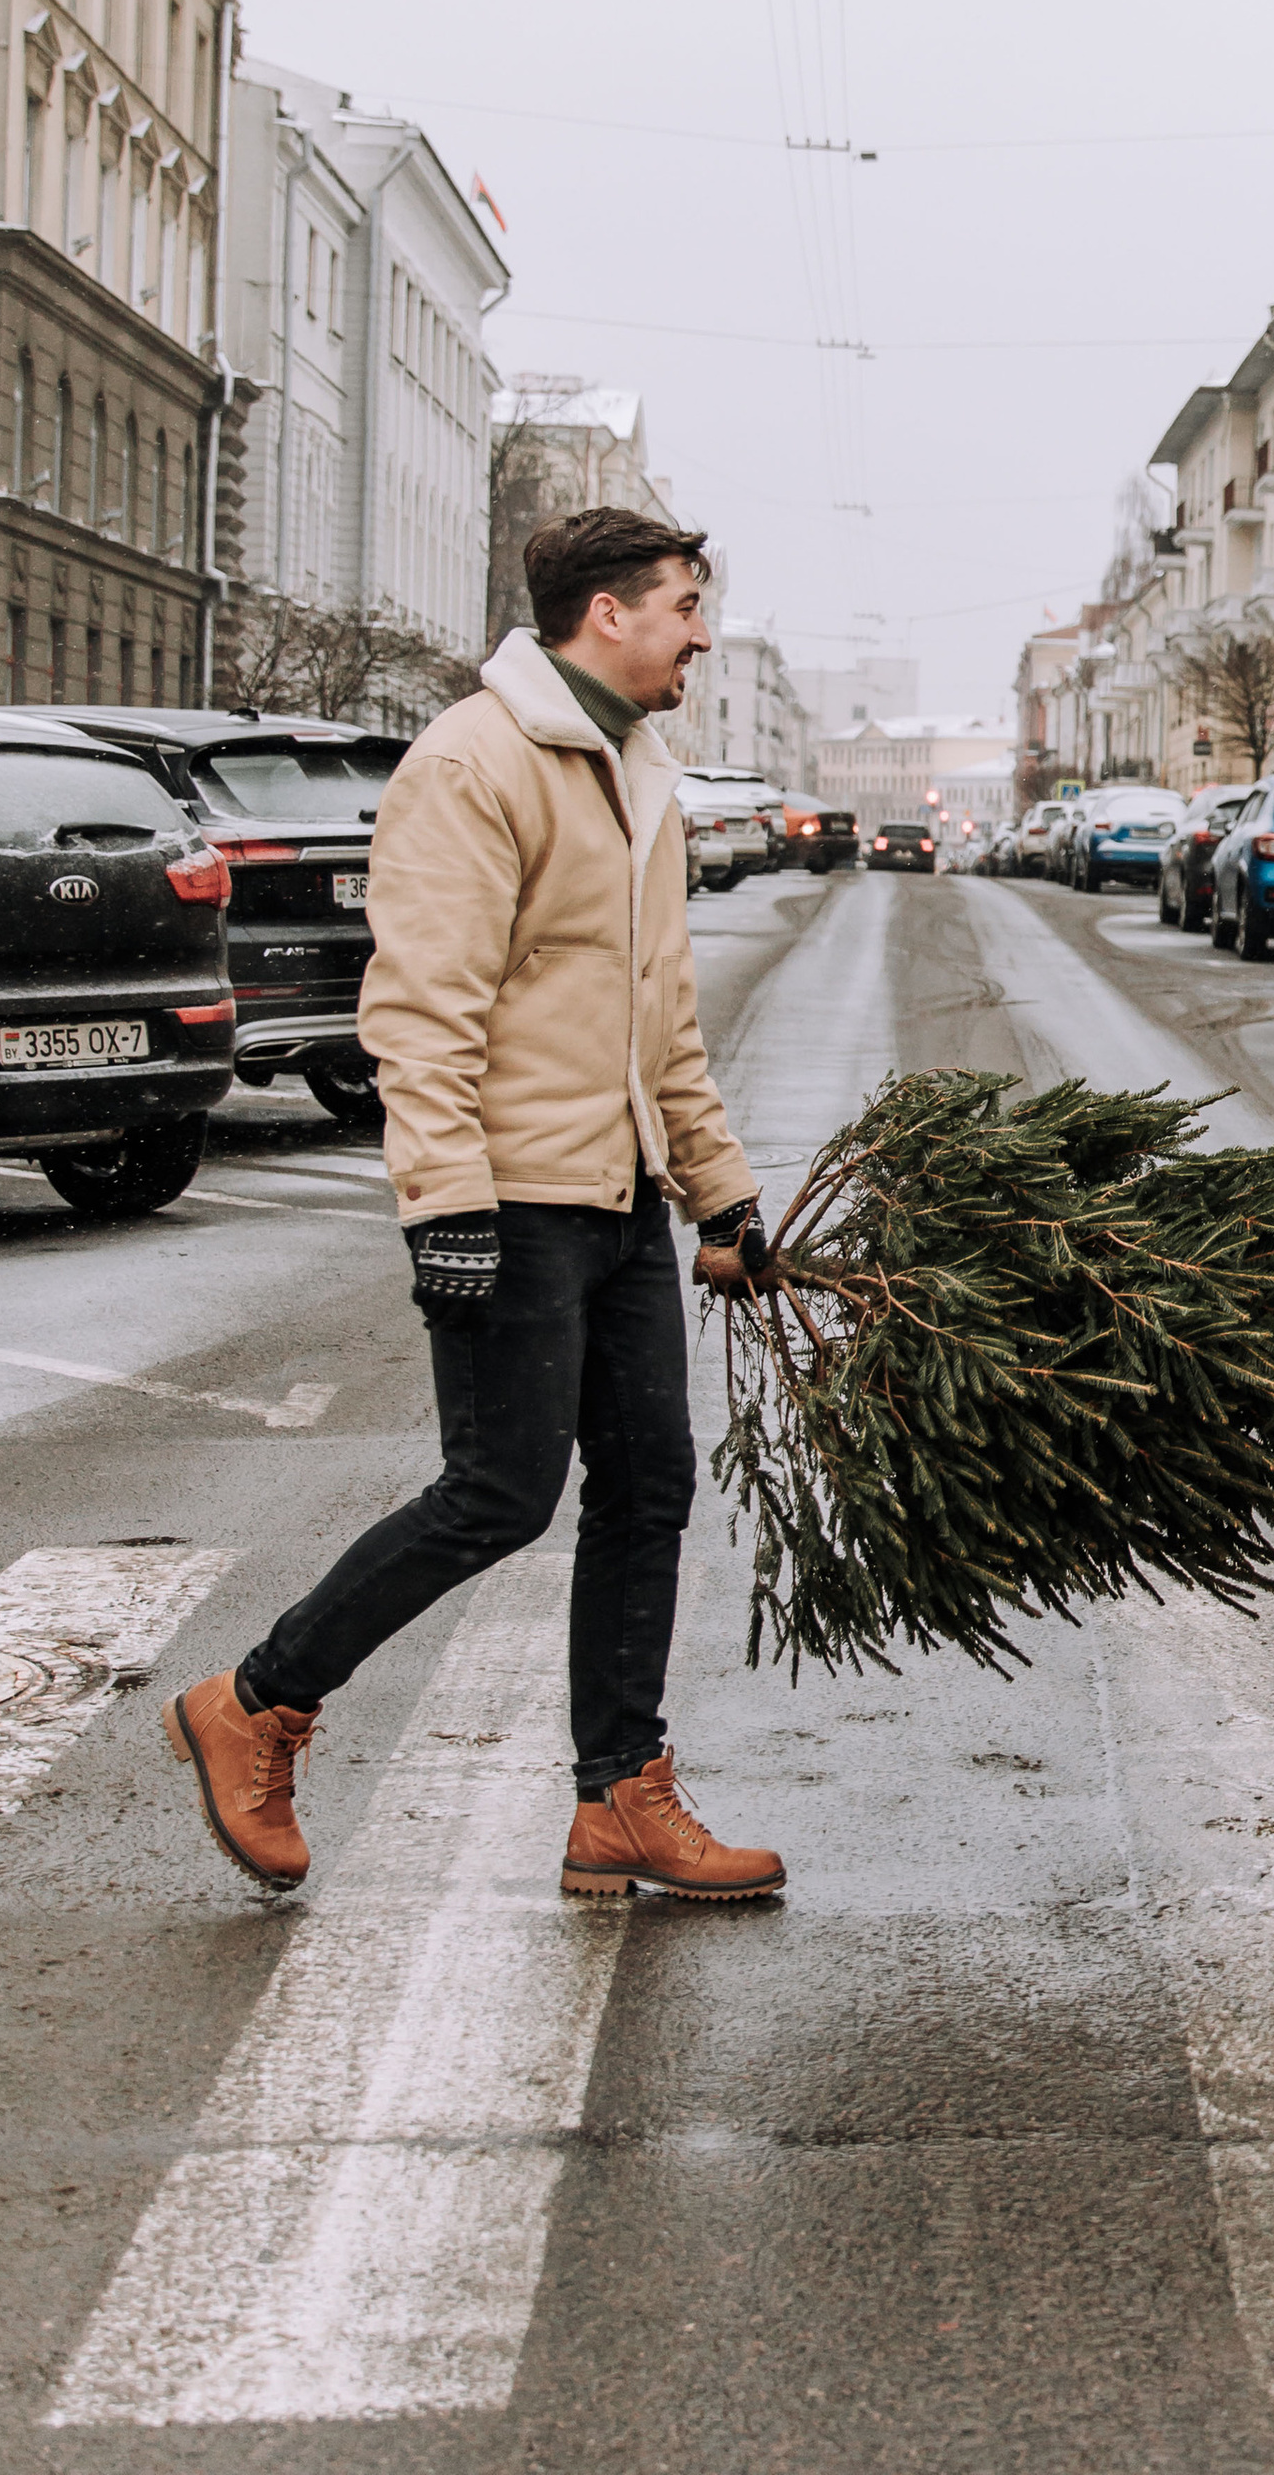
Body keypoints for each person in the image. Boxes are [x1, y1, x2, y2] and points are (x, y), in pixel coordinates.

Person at [167, 507, 785, 1902]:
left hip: (617, 1190)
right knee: (499, 1492)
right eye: (686, 605)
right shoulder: (476, 760)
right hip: (509, 1197)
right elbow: (422, 1008)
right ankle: (257, 1703)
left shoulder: (637, 768)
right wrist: (444, 1202)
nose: (702, 633)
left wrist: (718, 1191)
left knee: (651, 1487)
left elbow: (658, 1016)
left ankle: (621, 1797)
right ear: (607, 613)